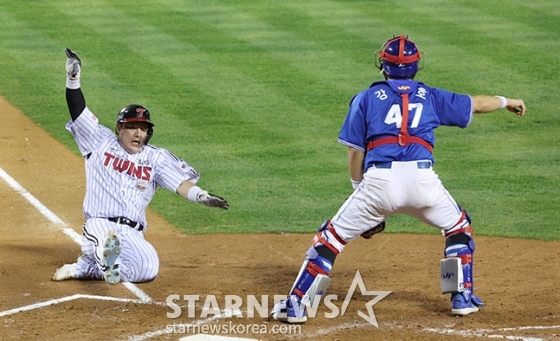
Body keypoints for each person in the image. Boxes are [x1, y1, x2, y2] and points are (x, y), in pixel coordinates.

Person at [271, 35, 526, 323]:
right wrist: (507, 101)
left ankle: (295, 304)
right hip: (423, 183)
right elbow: (477, 104)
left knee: (329, 240)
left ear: (383, 65)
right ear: (417, 65)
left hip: (380, 184)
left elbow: (355, 153)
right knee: (458, 229)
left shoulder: (366, 98)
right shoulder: (430, 95)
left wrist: (361, 193)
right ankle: (461, 297)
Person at [52, 48, 229, 284]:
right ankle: (101, 257)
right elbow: (78, 111)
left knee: (148, 269)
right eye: (133, 127)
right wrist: (73, 79)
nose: (138, 133)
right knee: (107, 248)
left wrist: (202, 196)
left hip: (132, 233)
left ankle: (88, 267)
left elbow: (181, 185)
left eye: (143, 129)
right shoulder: (99, 140)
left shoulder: (156, 158)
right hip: (100, 224)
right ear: (119, 129)